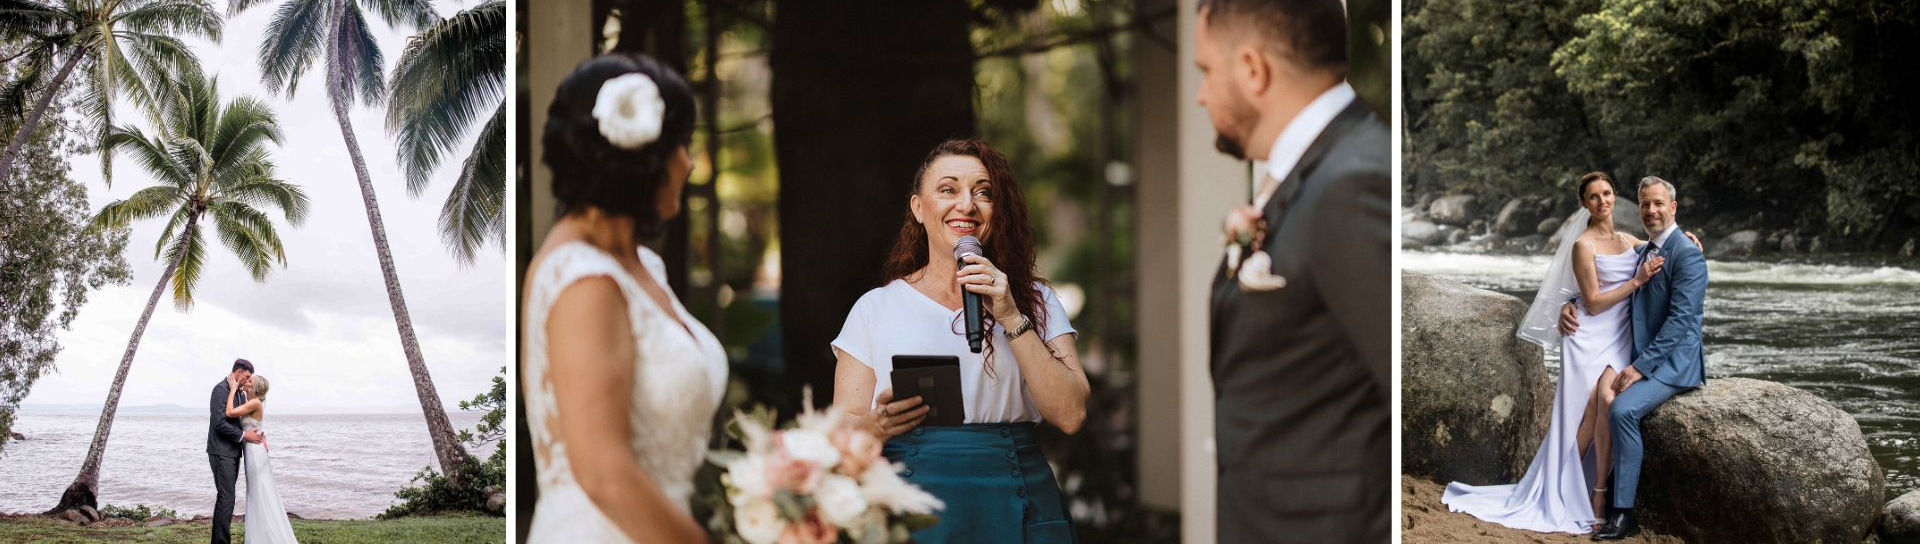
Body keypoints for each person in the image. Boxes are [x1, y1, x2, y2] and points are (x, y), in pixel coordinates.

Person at [1193, 0, 1392, 541]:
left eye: (1207, 71)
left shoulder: (1354, 184)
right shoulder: (1315, 171)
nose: (1201, 93)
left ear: (1253, 70)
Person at [830, 139, 1089, 544]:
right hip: (910, 507)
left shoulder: (1036, 300)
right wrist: (877, 425)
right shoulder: (876, 308)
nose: (966, 205)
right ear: (918, 207)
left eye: (983, 192)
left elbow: (1071, 414)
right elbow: (839, 429)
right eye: (948, 190)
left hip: (1017, 498)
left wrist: (1009, 314)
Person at [521, 53, 724, 544]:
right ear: (643, 161)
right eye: (681, 145)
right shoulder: (583, 280)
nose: (689, 162)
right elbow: (604, 475)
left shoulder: (640, 266)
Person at [1442, 172, 1665, 534]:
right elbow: (1592, 303)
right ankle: (1563, 492)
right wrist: (1635, 282)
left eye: (1607, 193)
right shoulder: (1583, 245)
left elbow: (1663, 244)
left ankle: (1596, 492)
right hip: (1588, 337)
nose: (1602, 201)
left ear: (1615, 196)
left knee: (1608, 401)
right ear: (1584, 204)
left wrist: (1687, 237)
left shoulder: (1628, 239)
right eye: (1593, 196)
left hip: (1620, 337)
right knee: (1582, 417)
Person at [1559, 176, 1709, 541]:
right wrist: (1569, 303)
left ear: (1673, 207)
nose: (1651, 210)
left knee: (1621, 409)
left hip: (1674, 364)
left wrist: (1639, 368)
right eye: (1645, 204)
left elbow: (1681, 321)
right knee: (1600, 403)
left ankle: (1622, 513)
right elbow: (1599, 289)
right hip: (1634, 352)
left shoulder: (1687, 253)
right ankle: (1585, 492)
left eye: (1659, 204)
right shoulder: (1642, 250)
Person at [224, 373, 299, 542]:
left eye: (249, 381)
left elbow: (229, 412)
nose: (246, 382)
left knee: (259, 493)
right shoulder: (250, 401)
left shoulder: (255, 403)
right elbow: (255, 425)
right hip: (252, 451)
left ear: (255, 388)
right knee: (256, 493)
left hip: (255, 454)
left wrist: (234, 388)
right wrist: (263, 434)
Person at [208, 358, 266, 544]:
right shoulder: (220, 389)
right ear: (238, 372)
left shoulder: (240, 394)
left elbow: (245, 420)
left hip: (234, 452)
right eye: (247, 376)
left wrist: (258, 435)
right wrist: (243, 436)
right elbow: (219, 423)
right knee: (226, 498)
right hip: (221, 451)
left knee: (227, 498)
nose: (247, 380)